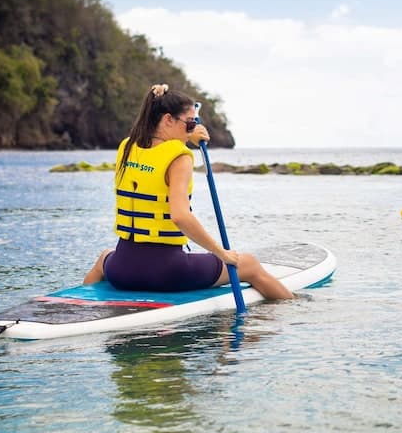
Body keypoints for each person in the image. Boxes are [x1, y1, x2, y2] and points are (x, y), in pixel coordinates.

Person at [83, 83, 293, 300]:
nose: (193, 127)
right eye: (190, 123)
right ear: (167, 119)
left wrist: (187, 134)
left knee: (104, 258)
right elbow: (180, 216)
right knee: (249, 264)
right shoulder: (180, 157)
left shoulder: (127, 147)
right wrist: (221, 253)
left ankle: (82, 305)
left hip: (122, 270)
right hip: (165, 272)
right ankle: (294, 311)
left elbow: (157, 147)